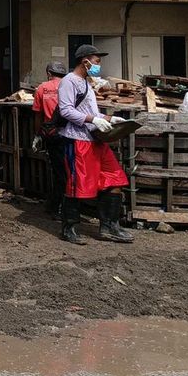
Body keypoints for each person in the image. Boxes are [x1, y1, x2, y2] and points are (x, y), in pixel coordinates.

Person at [56, 44, 134, 245]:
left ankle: (109, 226)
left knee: (115, 178)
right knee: (77, 184)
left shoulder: (86, 84)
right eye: (97, 61)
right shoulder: (69, 81)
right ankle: (69, 228)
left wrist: (109, 118)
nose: (99, 65)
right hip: (77, 140)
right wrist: (92, 120)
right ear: (85, 61)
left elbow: (91, 111)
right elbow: (65, 110)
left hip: (95, 140)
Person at [32, 61, 67, 219]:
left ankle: (55, 206)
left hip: (52, 134)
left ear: (48, 73)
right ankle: (60, 206)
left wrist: (38, 134)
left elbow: (38, 114)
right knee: (70, 171)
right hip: (71, 134)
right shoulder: (69, 86)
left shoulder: (42, 88)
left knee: (59, 172)